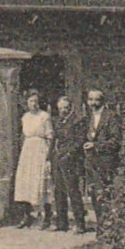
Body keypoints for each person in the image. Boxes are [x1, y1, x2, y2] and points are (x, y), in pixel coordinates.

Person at [82, 89, 123, 231]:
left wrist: (96, 145)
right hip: (92, 163)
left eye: (97, 100)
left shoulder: (111, 117)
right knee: (94, 194)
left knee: (107, 195)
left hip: (106, 162)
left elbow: (116, 141)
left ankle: (110, 228)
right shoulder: (88, 118)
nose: (93, 103)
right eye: (91, 100)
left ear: (103, 101)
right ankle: (101, 227)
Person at [50, 94, 90, 234]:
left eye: (66, 108)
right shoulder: (57, 122)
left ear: (71, 107)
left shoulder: (78, 121)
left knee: (73, 191)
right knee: (59, 191)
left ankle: (80, 223)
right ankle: (62, 222)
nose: (63, 111)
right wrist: (51, 158)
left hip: (70, 160)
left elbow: (79, 141)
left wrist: (68, 154)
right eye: (60, 108)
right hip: (58, 159)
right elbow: (54, 140)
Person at [11, 90, 52, 228]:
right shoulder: (25, 117)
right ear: (26, 103)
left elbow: (50, 136)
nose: (33, 104)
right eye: (30, 101)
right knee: (25, 182)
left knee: (41, 181)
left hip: (40, 149)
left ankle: (46, 217)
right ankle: (26, 216)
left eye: (36, 101)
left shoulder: (44, 116)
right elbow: (23, 135)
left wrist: (48, 156)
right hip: (28, 150)